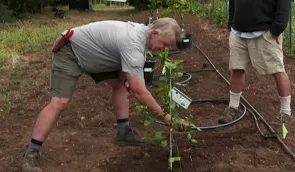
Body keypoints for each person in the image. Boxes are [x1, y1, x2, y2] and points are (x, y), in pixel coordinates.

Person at [21, 17, 186, 172]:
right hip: (71, 51)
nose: (164, 50)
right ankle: (31, 153)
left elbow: (125, 72)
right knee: (60, 101)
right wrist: (166, 117)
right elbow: (139, 91)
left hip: (98, 57)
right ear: (155, 34)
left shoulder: (141, 37)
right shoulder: (133, 42)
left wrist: (127, 81)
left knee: (121, 87)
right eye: (165, 44)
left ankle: (123, 133)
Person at [219, 0, 293, 125]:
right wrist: (231, 23)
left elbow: (284, 0)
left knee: (277, 70)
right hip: (238, 31)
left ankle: (286, 113)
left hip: (265, 32)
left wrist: (277, 28)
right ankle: (233, 107)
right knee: (237, 68)